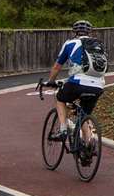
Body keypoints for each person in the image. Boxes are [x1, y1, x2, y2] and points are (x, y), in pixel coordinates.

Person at [44, 20, 108, 158]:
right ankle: (88, 145)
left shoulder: (70, 43)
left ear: (74, 32)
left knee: (60, 98)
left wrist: (51, 81)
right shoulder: (98, 45)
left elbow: (57, 67)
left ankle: (62, 129)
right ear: (90, 32)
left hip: (77, 82)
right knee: (83, 114)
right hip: (98, 85)